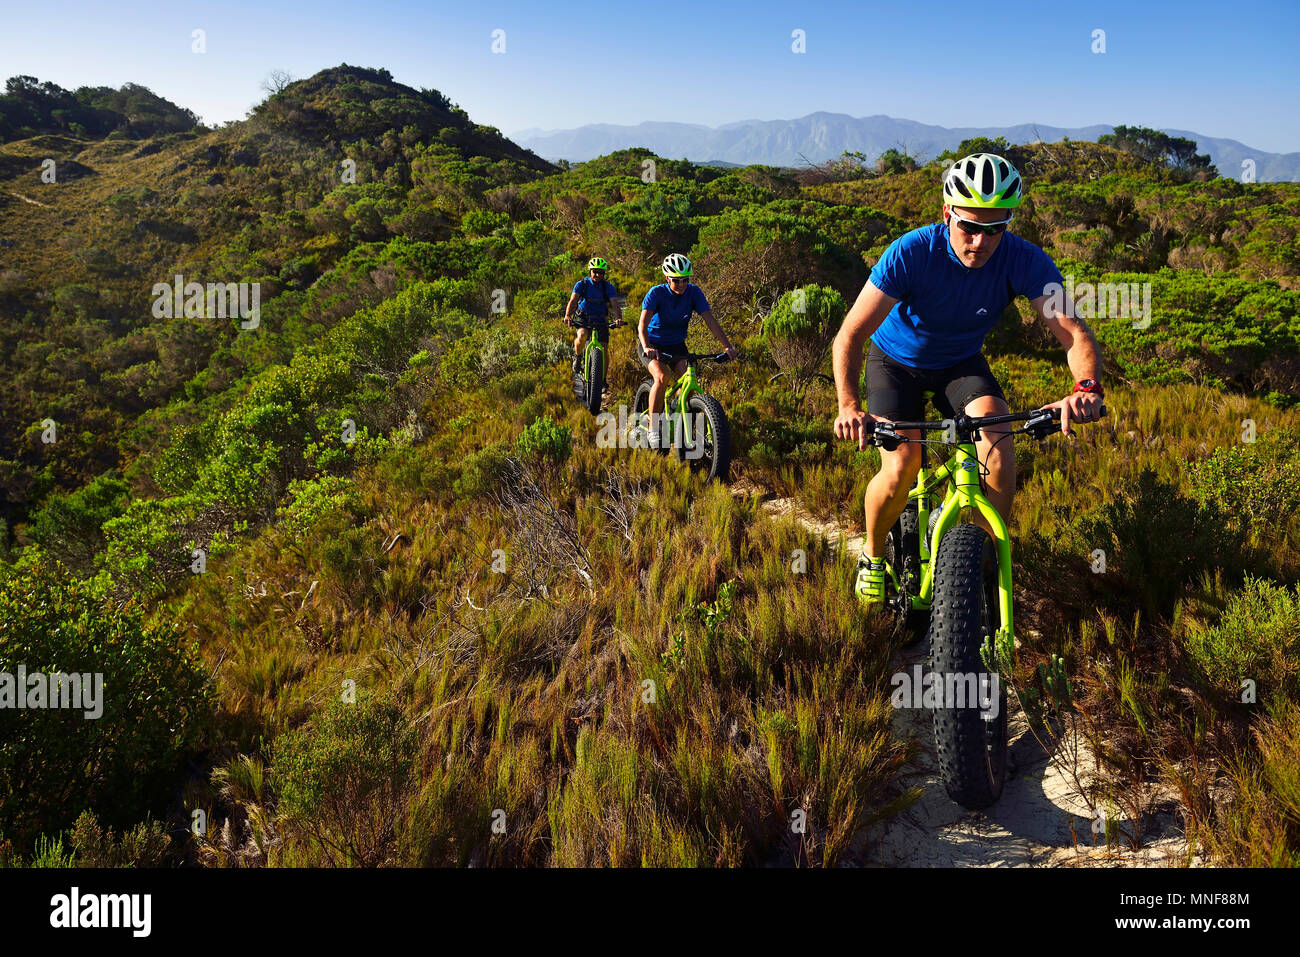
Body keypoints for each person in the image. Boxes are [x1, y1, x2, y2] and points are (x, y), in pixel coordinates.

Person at [831, 152, 1106, 607]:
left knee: (997, 445)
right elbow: (850, 336)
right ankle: (874, 556)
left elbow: (1074, 334)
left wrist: (1086, 389)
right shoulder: (911, 252)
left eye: (994, 228)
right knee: (903, 464)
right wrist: (847, 405)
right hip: (895, 359)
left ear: (1008, 224)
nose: (980, 241)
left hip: (959, 362)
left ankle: (976, 566)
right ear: (947, 214)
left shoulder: (1024, 261)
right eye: (968, 227)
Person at [637, 253, 738, 448]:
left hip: (676, 345)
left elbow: (710, 320)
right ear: (667, 278)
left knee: (688, 383)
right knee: (661, 377)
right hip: (651, 343)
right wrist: (647, 346)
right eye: (676, 280)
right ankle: (652, 427)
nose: (681, 284)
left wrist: (727, 346)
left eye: (685, 280)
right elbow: (642, 325)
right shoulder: (656, 293)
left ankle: (681, 422)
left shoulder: (694, 293)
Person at [564, 257, 622, 373]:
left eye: (601, 272)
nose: (597, 275)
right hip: (584, 317)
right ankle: (578, 356)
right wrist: (568, 315)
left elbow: (614, 304)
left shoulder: (608, 287)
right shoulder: (582, 284)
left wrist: (619, 318)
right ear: (590, 271)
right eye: (595, 272)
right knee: (582, 335)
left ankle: (603, 381)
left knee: (604, 349)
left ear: (604, 274)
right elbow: (573, 301)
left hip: (601, 318)